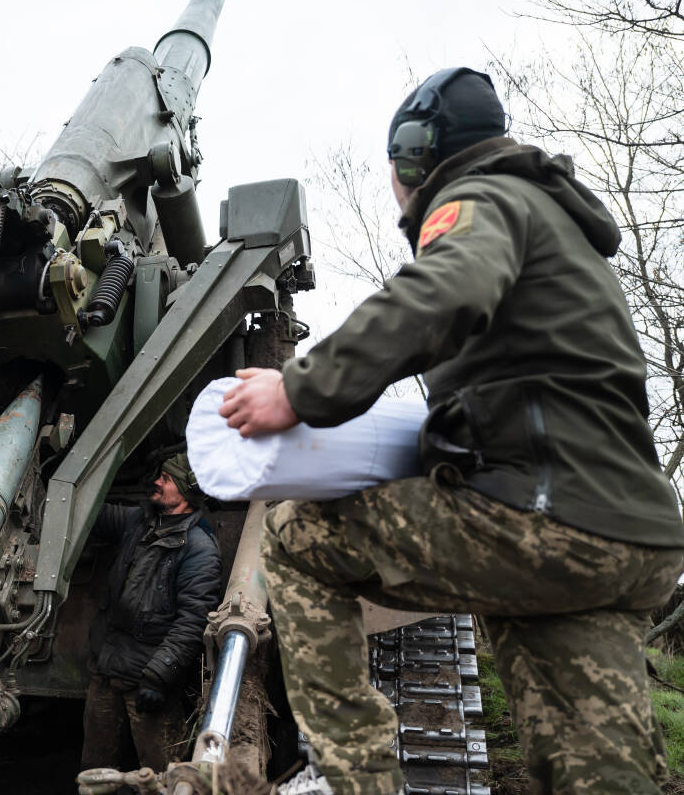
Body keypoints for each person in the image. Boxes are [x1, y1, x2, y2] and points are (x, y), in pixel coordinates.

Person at [219, 67, 684, 795]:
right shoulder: (557, 227)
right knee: (598, 769)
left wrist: (301, 392)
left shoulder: (481, 197)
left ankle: (357, 779)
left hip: (546, 519)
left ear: (416, 155)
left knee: (298, 536)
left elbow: (446, 289)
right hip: (628, 536)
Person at [82, 454, 223, 773]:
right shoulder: (139, 521)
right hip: (105, 672)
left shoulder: (199, 549)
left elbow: (192, 622)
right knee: (94, 771)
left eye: (167, 478)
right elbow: (90, 512)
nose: (157, 482)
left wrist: (159, 677)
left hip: (146, 680)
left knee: (163, 775)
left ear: (187, 493)